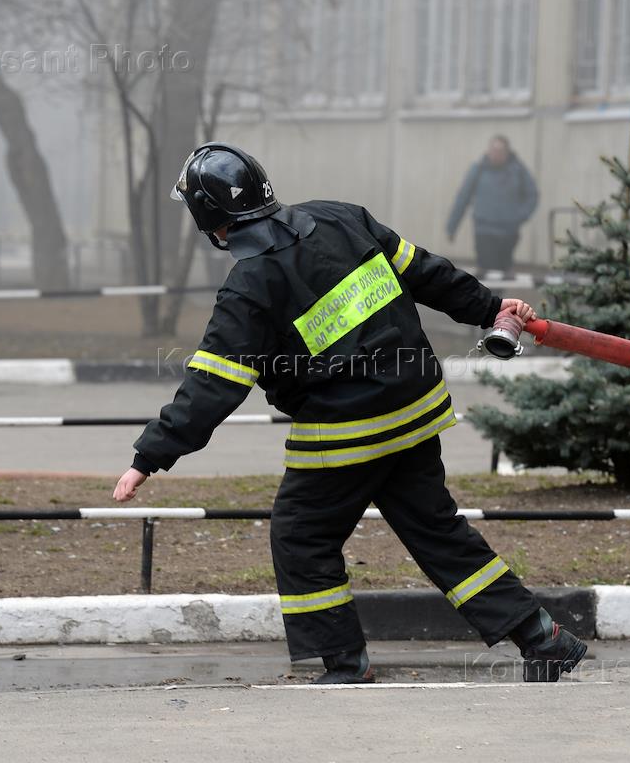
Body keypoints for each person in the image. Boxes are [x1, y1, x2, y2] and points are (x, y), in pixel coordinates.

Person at [113, 142, 587, 684]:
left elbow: (214, 385)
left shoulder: (249, 284)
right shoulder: (342, 218)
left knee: (301, 535)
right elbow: (427, 272)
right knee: (436, 531)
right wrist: (488, 309)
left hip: (347, 433)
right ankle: (541, 637)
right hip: (416, 410)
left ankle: (344, 662)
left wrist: (149, 456)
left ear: (208, 218)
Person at [445, 135, 539, 279]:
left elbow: (532, 195)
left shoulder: (517, 170)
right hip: (484, 231)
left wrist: (519, 216)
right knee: (488, 271)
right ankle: (489, 299)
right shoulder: (478, 169)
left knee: (503, 273)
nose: (496, 154)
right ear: (488, 151)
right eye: (493, 150)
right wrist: (452, 227)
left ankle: (498, 299)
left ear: (507, 153)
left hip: (509, 233)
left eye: (500, 151)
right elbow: (463, 197)